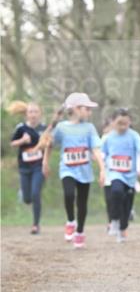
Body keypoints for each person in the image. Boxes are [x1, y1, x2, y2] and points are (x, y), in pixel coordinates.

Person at [41, 92, 104, 248]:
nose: (90, 112)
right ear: (76, 109)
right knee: (69, 195)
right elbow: (50, 144)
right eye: (87, 108)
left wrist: (103, 169)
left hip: (85, 171)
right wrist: (45, 162)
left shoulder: (89, 128)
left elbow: (95, 149)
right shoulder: (62, 127)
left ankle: (80, 232)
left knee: (82, 203)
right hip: (67, 169)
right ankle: (71, 220)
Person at [101, 108, 140, 242]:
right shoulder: (108, 137)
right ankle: (114, 219)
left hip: (130, 177)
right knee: (116, 192)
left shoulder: (134, 136)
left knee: (127, 205)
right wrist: (102, 169)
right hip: (115, 173)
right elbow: (102, 154)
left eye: (125, 124)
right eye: (119, 123)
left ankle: (123, 229)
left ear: (130, 123)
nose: (122, 127)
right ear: (113, 122)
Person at [9, 101, 46, 234]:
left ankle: (35, 224)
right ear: (26, 114)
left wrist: (46, 145)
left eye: (36, 112)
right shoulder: (21, 128)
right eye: (31, 112)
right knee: (27, 198)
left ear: (40, 113)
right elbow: (12, 143)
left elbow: (49, 145)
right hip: (24, 167)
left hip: (39, 167)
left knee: (36, 193)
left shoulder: (44, 128)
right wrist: (22, 141)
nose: (33, 115)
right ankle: (24, 193)